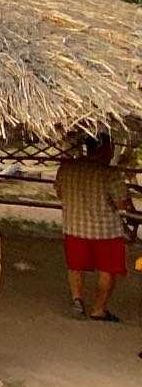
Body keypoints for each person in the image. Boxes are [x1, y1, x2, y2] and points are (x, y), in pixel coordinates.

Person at [54, 134, 133, 321]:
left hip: (74, 226)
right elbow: (122, 204)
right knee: (107, 270)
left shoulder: (66, 169)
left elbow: (59, 192)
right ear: (104, 149)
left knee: (75, 266)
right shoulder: (110, 174)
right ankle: (98, 309)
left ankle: (77, 299)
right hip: (107, 231)